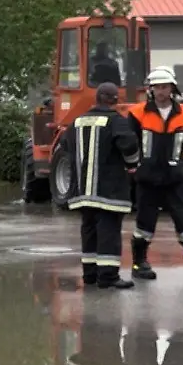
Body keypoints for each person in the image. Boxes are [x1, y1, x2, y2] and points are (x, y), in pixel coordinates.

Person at [60, 81, 140, 288]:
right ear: (115, 100)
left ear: (96, 99)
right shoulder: (116, 121)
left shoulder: (76, 122)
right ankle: (108, 277)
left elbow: (65, 145)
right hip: (108, 191)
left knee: (89, 231)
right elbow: (130, 145)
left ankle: (90, 275)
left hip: (82, 192)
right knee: (109, 232)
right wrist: (132, 166)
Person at [128, 66, 183, 281]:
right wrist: (135, 169)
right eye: (157, 87)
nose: (161, 91)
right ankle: (139, 263)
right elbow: (128, 144)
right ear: (151, 89)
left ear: (172, 88)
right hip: (147, 179)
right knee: (144, 224)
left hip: (175, 179)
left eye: (165, 87)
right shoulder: (137, 113)